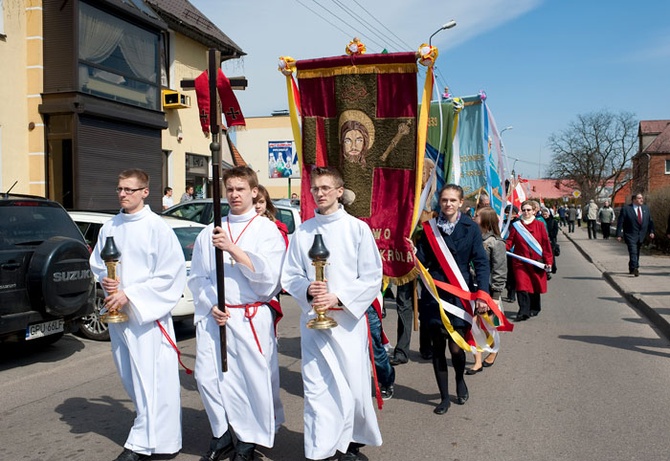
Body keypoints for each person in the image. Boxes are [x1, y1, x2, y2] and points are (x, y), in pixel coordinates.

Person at [281, 166, 383, 461]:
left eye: (326, 188)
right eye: (315, 188)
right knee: (317, 389)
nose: (319, 193)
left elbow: (372, 275)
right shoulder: (303, 232)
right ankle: (320, 450)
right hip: (314, 323)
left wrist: (338, 296)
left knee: (352, 386)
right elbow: (289, 275)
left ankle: (350, 442)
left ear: (340, 191)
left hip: (347, 324)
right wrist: (310, 291)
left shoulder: (357, 229)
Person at [188, 166, 286, 461]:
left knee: (249, 381)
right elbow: (198, 277)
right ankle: (222, 433)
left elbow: (270, 279)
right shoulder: (210, 231)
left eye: (240, 189)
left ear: (254, 191)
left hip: (249, 316)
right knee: (207, 378)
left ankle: (247, 440)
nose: (234, 194)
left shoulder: (265, 229)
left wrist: (233, 249)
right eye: (229, 189)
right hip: (216, 316)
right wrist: (211, 302)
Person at [89, 169, 186, 461]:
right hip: (119, 315)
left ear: (145, 192)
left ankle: (139, 445)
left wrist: (130, 293)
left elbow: (171, 274)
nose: (122, 194)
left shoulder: (157, 228)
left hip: (147, 316)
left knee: (152, 380)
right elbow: (98, 263)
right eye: (119, 189)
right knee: (132, 379)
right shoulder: (110, 226)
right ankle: (162, 441)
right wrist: (106, 282)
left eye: (129, 190)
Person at [416, 184, 490, 415]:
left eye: (452, 200)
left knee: (457, 348)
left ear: (461, 203)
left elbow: (481, 262)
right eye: (444, 200)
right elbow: (422, 261)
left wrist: (483, 295)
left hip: (461, 295)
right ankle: (444, 397)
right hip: (435, 295)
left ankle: (459, 379)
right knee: (437, 348)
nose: (448, 204)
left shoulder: (471, 228)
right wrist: (412, 254)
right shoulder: (428, 229)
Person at [467, 206, 506, 374]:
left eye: (477, 216)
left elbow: (500, 269)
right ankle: (477, 361)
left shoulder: (496, 243)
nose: (474, 218)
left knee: (487, 325)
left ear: (485, 220)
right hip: (471, 287)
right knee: (473, 324)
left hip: (487, 289)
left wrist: (496, 294)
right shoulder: (473, 238)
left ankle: (494, 348)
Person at [506, 200, 553, 321]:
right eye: (524, 210)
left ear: (534, 211)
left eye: (529, 210)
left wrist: (548, 261)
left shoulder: (539, 225)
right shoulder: (516, 225)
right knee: (522, 285)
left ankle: (534, 308)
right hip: (520, 261)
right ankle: (523, 311)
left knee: (534, 285)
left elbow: (545, 244)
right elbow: (510, 241)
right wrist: (501, 246)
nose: (526, 212)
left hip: (536, 261)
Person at [616, 192, 655, 277]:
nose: (642, 199)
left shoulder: (645, 208)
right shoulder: (626, 209)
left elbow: (649, 221)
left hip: (641, 235)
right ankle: (635, 268)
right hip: (630, 234)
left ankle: (631, 267)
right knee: (633, 251)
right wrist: (619, 234)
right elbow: (620, 222)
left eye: (642, 198)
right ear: (634, 200)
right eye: (639, 198)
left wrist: (651, 231)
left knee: (636, 251)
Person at [501, 204, 518, 303]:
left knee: (513, 274)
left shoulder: (518, 223)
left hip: (515, 252)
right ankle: (509, 290)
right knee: (506, 274)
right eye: (506, 213)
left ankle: (512, 294)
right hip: (504, 251)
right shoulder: (502, 223)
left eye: (510, 213)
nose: (508, 215)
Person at [541, 206, 559, 276]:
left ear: (549, 214)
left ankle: (552, 267)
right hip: (543, 241)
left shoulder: (553, 221)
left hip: (551, 240)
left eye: (546, 214)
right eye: (543, 214)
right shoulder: (541, 221)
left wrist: (549, 235)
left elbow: (555, 231)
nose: (545, 216)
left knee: (551, 254)